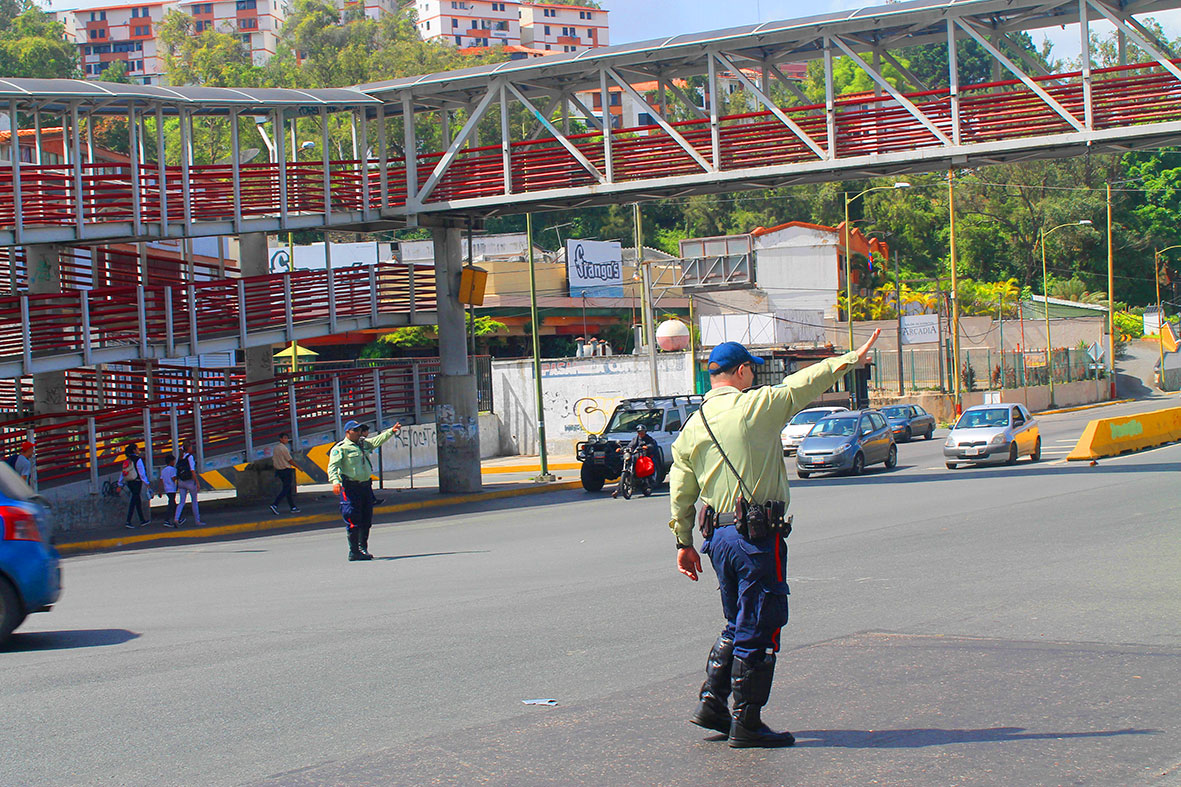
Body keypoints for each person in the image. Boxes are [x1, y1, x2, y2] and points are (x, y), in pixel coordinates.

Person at [670, 332, 880, 748]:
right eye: (751, 369)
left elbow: (681, 489)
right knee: (761, 624)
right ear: (743, 370)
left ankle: (712, 702)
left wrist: (682, 541)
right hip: (755, 537)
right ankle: (747, 721)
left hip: (718, 539)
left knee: (736, 621)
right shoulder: (755, 407)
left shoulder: (692, 425)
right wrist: (850, 358)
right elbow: (802, 384)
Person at [328, 419, 400, 561]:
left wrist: (390, 432)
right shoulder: (341, 448)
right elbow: (333, 466)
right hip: (351, 487)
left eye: (360, 430)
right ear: (348, 432)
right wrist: (335, 482)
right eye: (356, 430)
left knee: (366, 518)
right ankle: (353, 551)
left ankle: (363, 548)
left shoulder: (363, 444)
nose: (359, 433)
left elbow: (376, 441)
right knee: (353, 518)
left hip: (365, 487)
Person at [612, 424, 658, 499]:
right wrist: (622, 449)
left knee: (646, 468)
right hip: (636, 456)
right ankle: (617, 490)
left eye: (642, 431)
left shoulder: (649, 439)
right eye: (639, 432)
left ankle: (649, 482)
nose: (641, 433)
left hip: (645, 456)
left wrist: (647, 447)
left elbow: (653, 445)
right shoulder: (636, 438)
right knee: (628, 463)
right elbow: (630, 445)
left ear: (645, 431)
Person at [171, 440, 205, 528]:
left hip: (181, 482)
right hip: (189, 482)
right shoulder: (190, 457)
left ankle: (176, 518)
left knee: (181, 501)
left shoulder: (180, 457)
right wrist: (197, 482)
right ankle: (197, 521)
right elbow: (192, 470)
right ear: (189, 448)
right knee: (194, 501)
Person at [117, 444, 150, 529]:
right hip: (137, 482)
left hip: (129, 482)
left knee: (137, 500)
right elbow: (141, 472)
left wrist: (120, 484)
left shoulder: (127, 460)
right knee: (134, 500)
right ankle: (128, 521)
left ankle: (142, 520)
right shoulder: (138, 459)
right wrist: (146, 482)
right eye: (137, 448)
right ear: (134, 450)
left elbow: (123, 473)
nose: (138, 450)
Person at [269, 433, 300, 515]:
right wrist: (299, 467)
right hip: (286, 470)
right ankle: (275, 504)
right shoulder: (284, 449)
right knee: (286, 489)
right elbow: (290, 460)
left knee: (288, 489)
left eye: (287, 438)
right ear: (281, 439)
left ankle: (293, 507)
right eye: (285, 438)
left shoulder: (276, 448)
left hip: (279, 471)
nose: (286, 440)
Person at [159, 453, 178, 525]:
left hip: (167, 489)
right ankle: (167, 519)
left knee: (172, 503)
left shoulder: (163, 470)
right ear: (171, 461)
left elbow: (161, 480)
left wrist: (160, 490)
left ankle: (177, 517)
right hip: (172, 488)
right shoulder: (173, 469)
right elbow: (173, 478)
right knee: (171, 504)